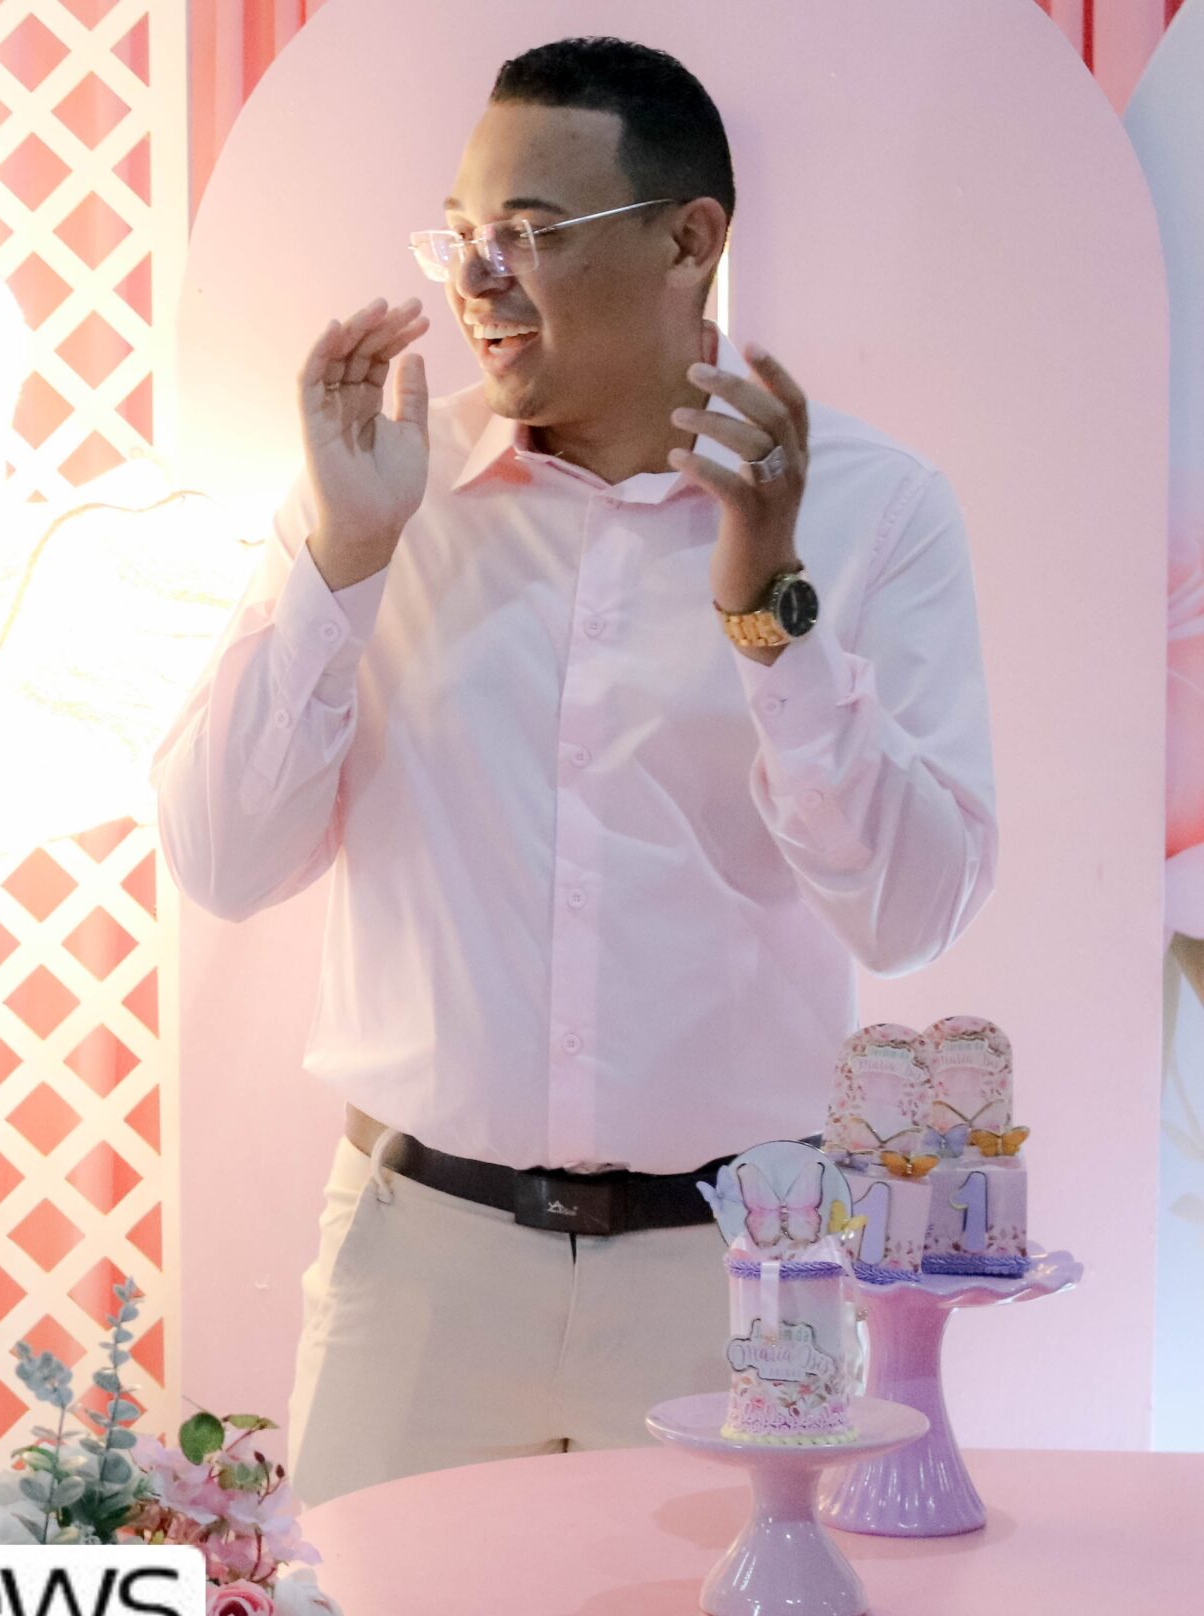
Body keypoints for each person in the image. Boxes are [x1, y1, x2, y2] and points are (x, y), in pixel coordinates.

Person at [153, 37, 996, 1501]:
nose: (478, 280)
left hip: (734, 1278)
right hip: (416, 1264)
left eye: (530, 233)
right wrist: (342, 560)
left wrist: (769, 615)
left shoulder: (872, 511)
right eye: (460, 236)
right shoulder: (384, 489)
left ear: (690, 242)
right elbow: (222, 862)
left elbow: (910, 913)